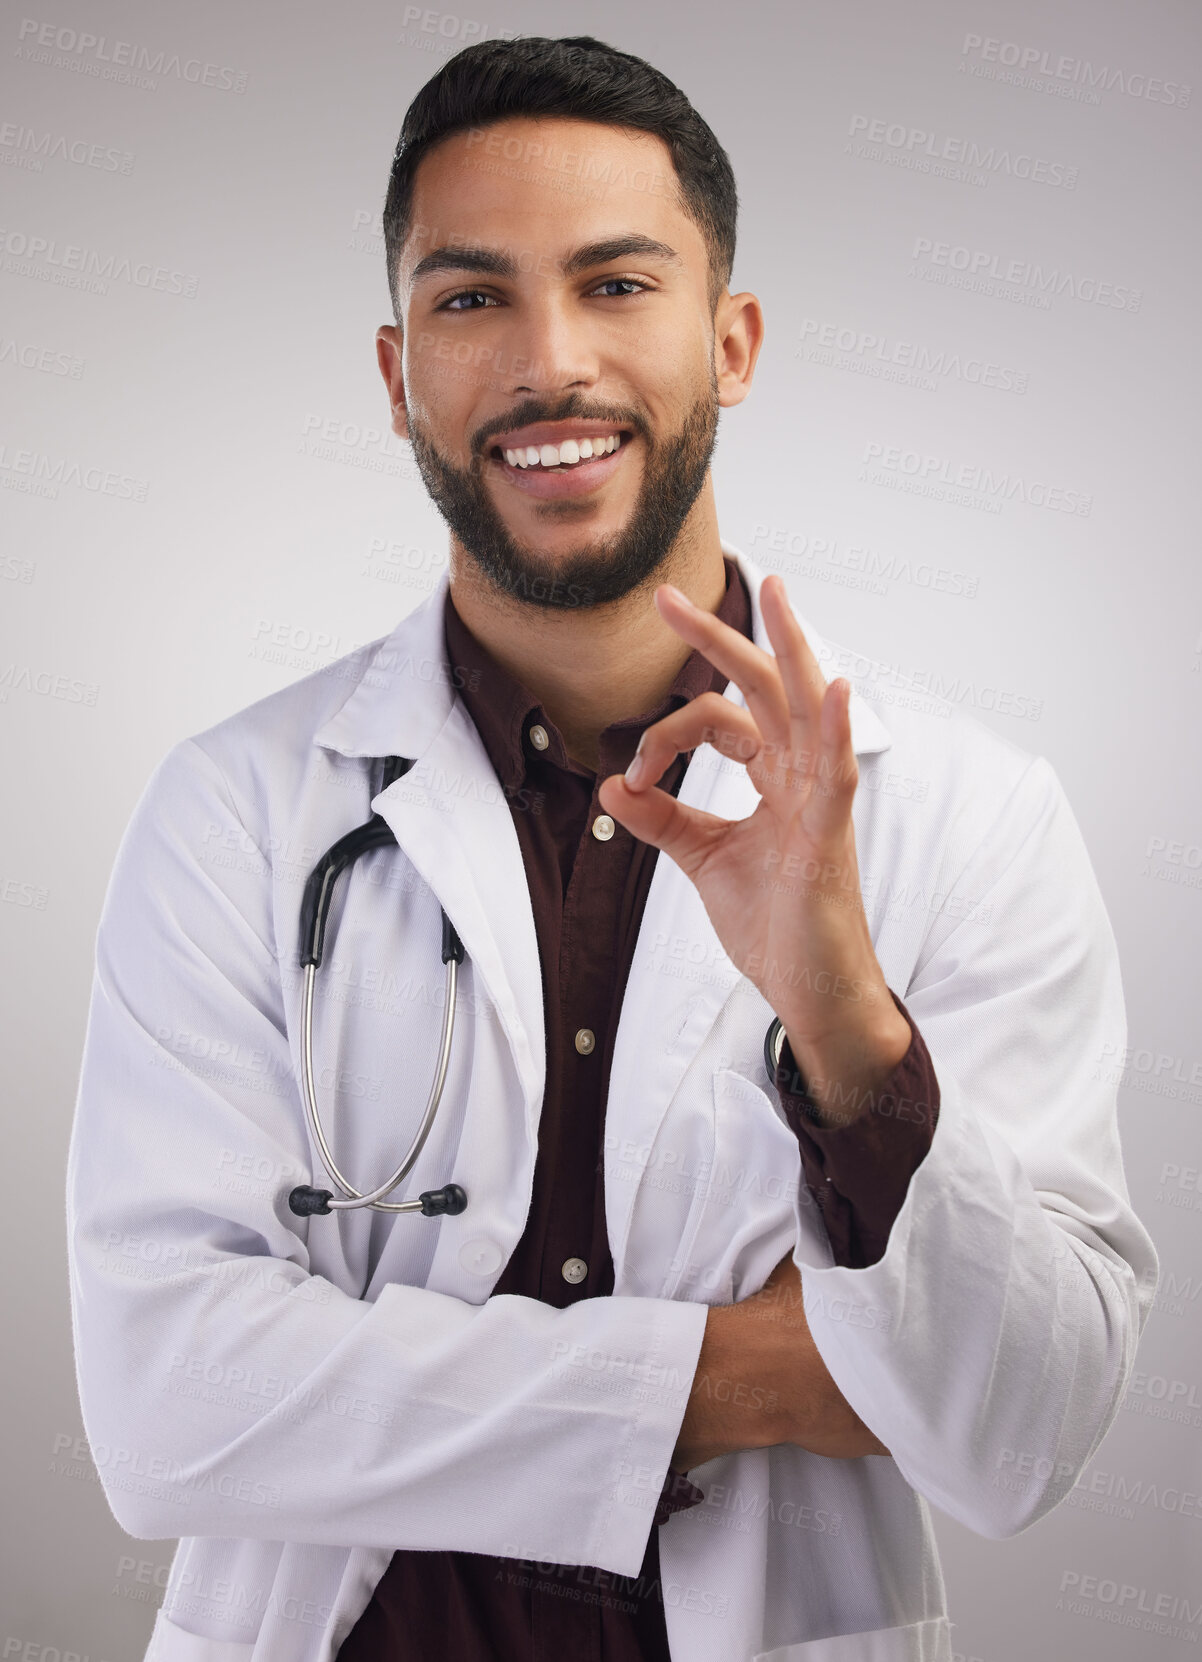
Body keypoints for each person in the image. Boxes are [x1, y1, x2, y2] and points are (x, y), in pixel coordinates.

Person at [66, 34, 1158, 1662]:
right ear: (394, 376)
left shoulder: (969, 814)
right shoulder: (235, 807)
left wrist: (852, 1038)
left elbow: (1020, 1438)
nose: (546, 361)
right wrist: (743, 1376)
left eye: (617, 283)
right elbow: (167, 1412)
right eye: (469, 298)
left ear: (730, 343)